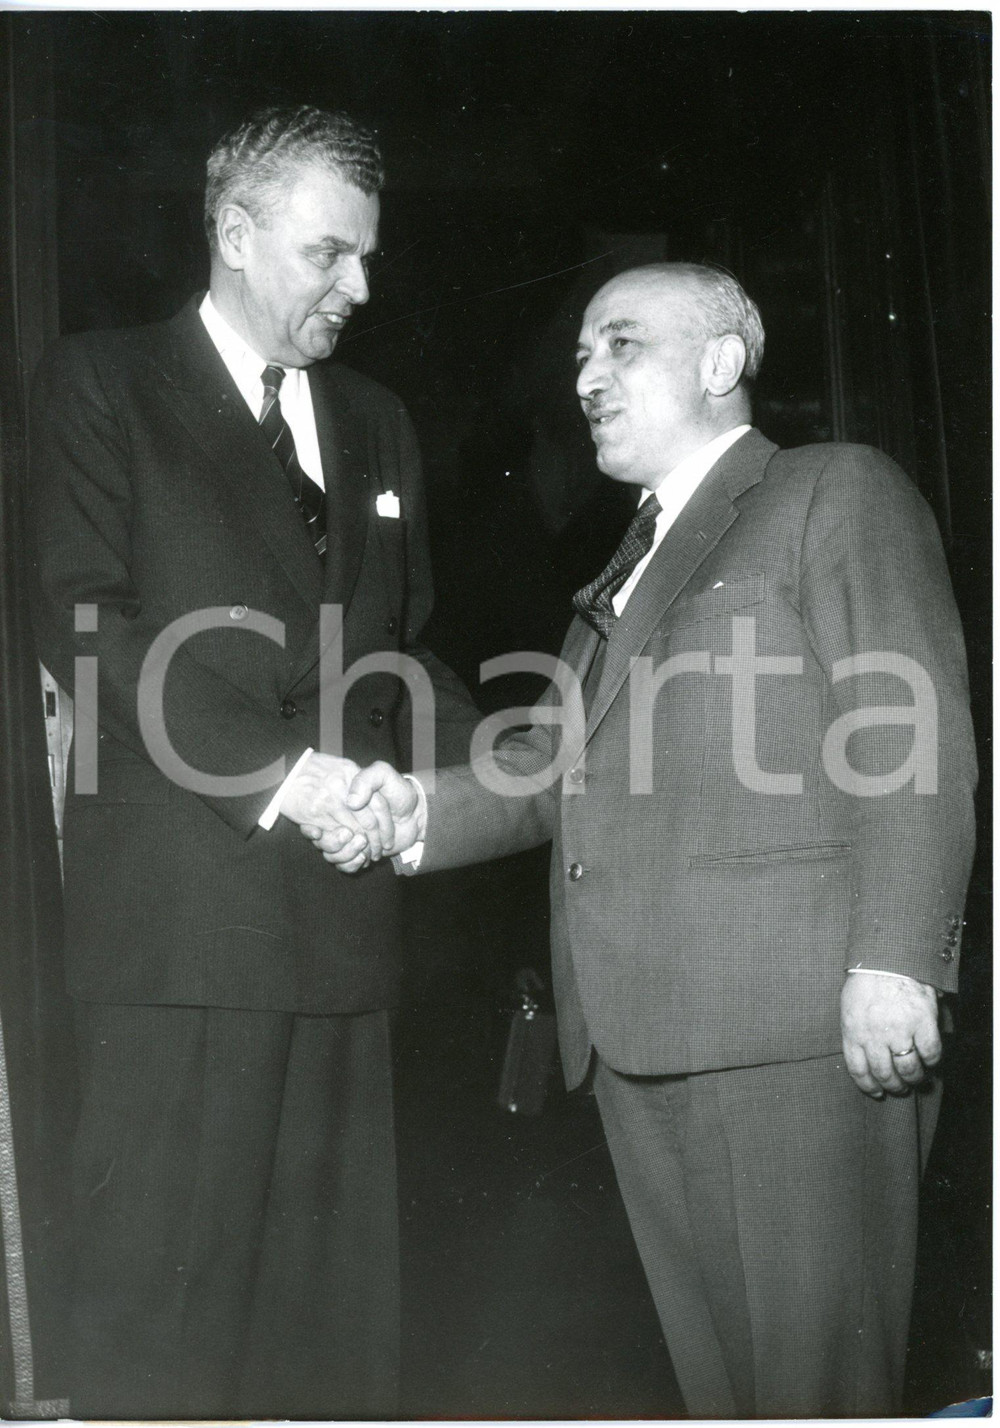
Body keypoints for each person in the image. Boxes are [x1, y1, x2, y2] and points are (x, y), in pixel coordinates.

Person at [312, 263, 978, 1417]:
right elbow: (544, 769)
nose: (586, 378)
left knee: (818, 1393)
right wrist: (412, 814)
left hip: (794, 1038)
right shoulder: (628, 565)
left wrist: (896, 961)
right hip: (639, 1043)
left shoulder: (830, 491)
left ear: (723, 364)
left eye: (622, 345)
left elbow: (912, 735)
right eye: (579, 354)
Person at [27, 104, 478, 1419]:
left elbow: (402, 647)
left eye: (370, 256)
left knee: (332, 1347)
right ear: (233, 235)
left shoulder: (380, 418)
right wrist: (289, 778)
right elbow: (89, 625)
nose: (363, 286)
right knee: (167, 1339)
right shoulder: (100, 386)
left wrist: (456, 779)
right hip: (188, 943)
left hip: (346, 940)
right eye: (330, 254)